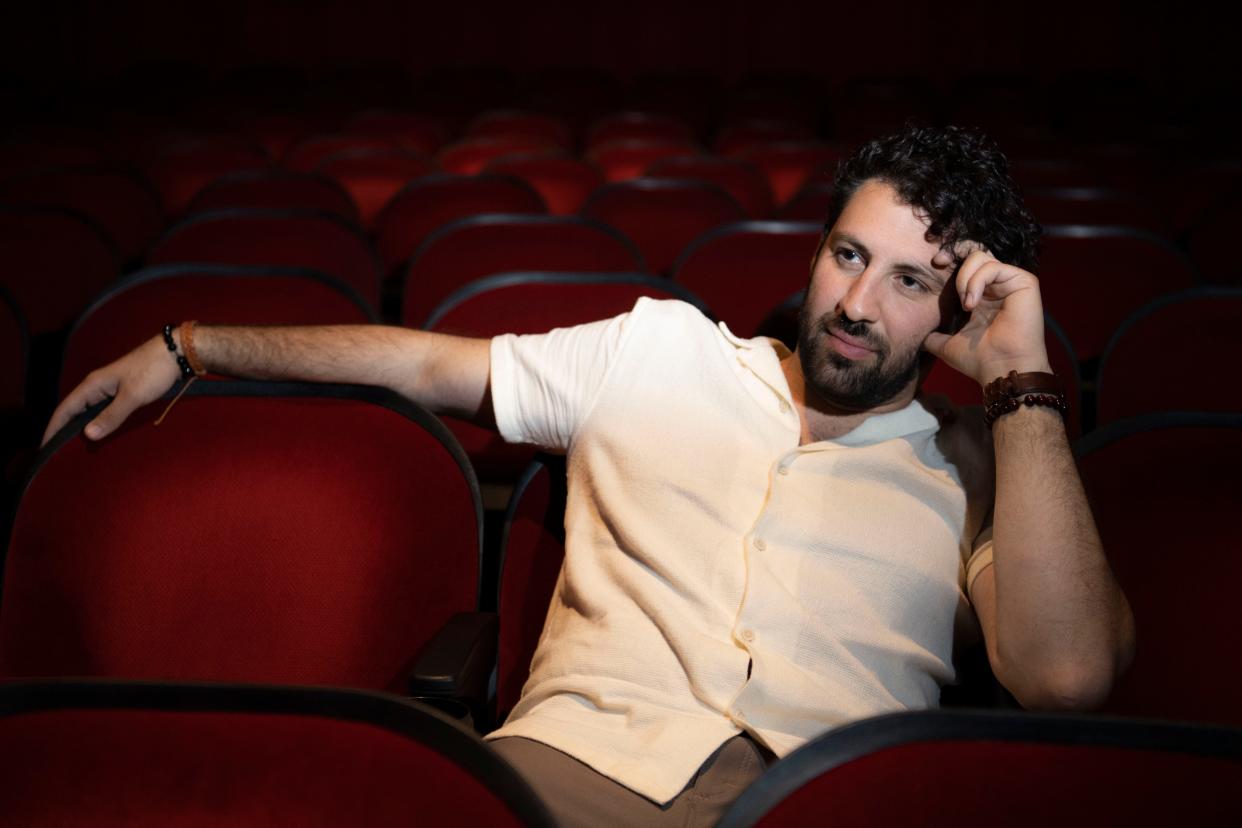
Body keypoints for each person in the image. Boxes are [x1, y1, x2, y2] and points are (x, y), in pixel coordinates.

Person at [46, 125, 1135, 828]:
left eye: (910, 283)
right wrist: (192, 344)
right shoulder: (660, 349)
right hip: (571, 780)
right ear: (814, 253)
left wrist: (1022, 375)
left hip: (829, 798)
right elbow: (429, 362)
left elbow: (1069, 678)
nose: (858, 304)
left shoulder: (981, 459)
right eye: (848, 256)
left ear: (957, 312)